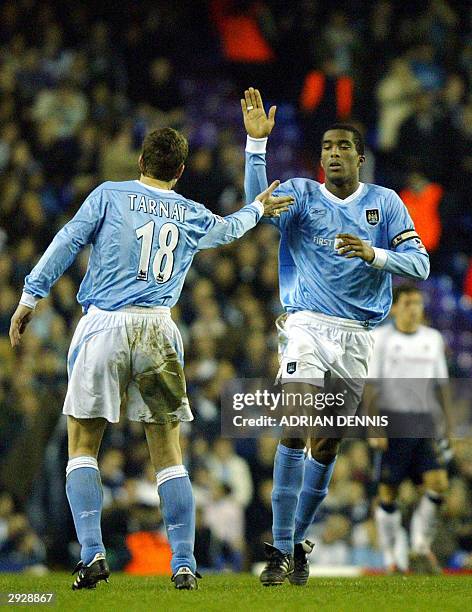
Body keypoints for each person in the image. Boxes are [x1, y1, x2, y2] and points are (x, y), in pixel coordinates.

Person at [9, 127, 292, 591]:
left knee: (82, 446)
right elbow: (229, 229)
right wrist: (258, 206)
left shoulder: (109, 194)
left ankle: (93, 556)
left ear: (140, 160)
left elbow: (67, 240)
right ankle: (183, 562)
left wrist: (31, 294)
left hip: (105, 324)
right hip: (159, 328)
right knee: (168, 454)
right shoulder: (188, 212)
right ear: (180, 172)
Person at [241, 87, 430, 587]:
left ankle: (297, 543)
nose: (332, 153)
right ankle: (279, 550)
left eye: (343, 146)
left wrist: (374, 254)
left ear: (360, 157)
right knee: (295, 422)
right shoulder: (302, 195)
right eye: (326, 147)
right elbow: (256, 205)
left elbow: (422, 263)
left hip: (357, 335)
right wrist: (256, 147)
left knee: (326, 446)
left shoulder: (385, 204)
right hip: (306, 323)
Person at [366, 284, 450, 574]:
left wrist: (447, 424)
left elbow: (441, 385)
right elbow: (370, 386)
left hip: (424, 422)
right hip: (392, 423)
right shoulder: (381, 339)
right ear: (395, 307)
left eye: (418, 303)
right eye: (408, 303)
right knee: (388, 492)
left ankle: (420, 544)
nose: (414, 308)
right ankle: (391, 555)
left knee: (438, 483)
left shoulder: (433, 339)